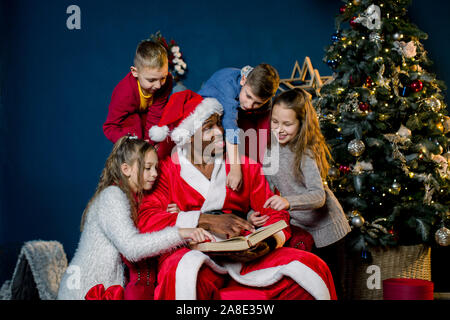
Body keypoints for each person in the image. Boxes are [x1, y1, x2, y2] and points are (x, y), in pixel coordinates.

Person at [142, 89, 337, 300]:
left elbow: (274, 213)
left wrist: (268, 243)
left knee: (310, 269)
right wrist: (204, 221)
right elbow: (147, 218)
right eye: (209, 128)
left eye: (219, 123)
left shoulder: (245, 167)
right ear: (187, 137)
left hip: (245, 257)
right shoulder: (164, 172)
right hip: (195, 254)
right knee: (181, 272)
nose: (219, 132)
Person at [57, 136, 214, 300]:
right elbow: (132, 247)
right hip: (82, 291)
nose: (154, 174)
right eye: (147, 168)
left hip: (105, 289)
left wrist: (174, 215)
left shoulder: (134, 198)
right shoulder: (112, 196)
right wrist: (180, 232)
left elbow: (148, 232)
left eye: (156, 168)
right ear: (126, 169)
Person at [261, 88, 351, 298]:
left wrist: (287, 201)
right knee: (307, 288)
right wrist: (254, 213)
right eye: (275, 122)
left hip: (329, 232)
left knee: (334, 289)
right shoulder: (269, 150)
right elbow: (265, 193)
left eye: (287, 124)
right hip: (300, 231)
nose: (279, 129)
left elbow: (319, 197)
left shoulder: (306, 151)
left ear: (301, 123)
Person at [196, 64, 280, 191]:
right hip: (208, 108)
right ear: (243, 80)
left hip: (240, 114)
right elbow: (230, 128)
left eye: (257, 102)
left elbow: (263, 127)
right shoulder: (228, 86)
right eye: (248, 96)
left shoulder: (263, 101)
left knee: (258, 142)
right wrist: (235, 169)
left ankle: (262, 181)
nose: (250, 105)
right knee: (224, 145)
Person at [103, 40, 173, 145]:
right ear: (135, 72)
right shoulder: (124, 92)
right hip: (129, 130)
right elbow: (110, 127)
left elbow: (156, 114)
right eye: (151, 80)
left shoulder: (166, 82)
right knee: (134, 120)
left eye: (163, 78)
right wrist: (135, 144)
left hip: (149, 121)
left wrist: (149, 143)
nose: (158, 85)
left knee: (169, 119)